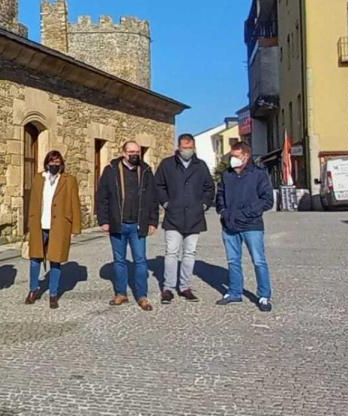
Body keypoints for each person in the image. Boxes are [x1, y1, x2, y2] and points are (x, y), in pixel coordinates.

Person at [96, 140, 159, 311]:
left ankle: (142, 295)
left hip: (138, 224)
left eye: (137, 152)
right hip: (118, 223)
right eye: (131, 152)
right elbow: (102, 196)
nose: (134, 155)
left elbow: (153, 197)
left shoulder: (145, 171)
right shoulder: (110, 170)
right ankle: (121, 293)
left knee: (140, 260)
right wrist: (103, 220)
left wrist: (153, 221)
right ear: (123, 153)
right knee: (119, 260)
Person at [155, 133, 215, 304]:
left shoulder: (200, 165)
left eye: (190, 148)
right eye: (184, 148)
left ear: (194, 148)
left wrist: (204, 205)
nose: (187, 151)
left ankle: (185, 287)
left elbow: (209, 187)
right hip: (174, 216)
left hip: (195, 217)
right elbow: (158, 184)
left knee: (189, 253)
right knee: (171, 253)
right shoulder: (167, 164)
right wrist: (166, 203)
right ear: (178, 148)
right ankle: (167, 288)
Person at [215, 142, 274, 311]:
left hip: (252, 225)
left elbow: (267, 200)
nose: (232, 159)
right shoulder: (227, 175)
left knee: (259, 261)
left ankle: (264, 296)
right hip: (229, 225)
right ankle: (234, 292)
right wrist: (223, 211)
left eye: (236, 156)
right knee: (233, 261)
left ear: (246, 156)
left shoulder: (259, 174)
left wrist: (247, 213)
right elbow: (220, 195)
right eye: (231, 156)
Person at [23, 150, 81, 309]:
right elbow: (33, 202)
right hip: (39, 224)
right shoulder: (38, 179)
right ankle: (33, 289)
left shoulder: (69, 180)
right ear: (47, 163)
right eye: (52, 162)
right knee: (35, 258)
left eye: (57, 162)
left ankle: (53, 294)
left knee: (55, 260)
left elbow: (75, 204)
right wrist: (30, 224)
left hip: (60, 226)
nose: (54, 165)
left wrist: (74, 228)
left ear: (61, 163)